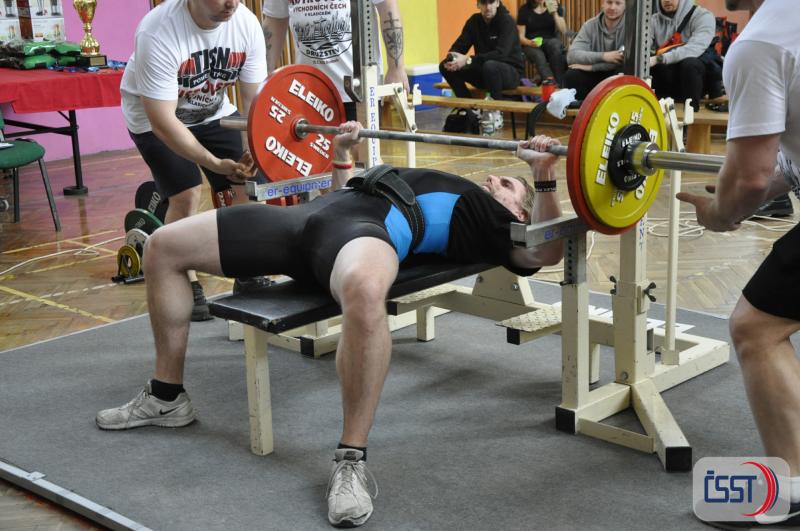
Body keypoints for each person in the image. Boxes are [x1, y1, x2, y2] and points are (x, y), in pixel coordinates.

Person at [95, 123, 565, 528]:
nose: (492, 178)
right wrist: (342, 155)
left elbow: (544, 251)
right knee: (162, 246)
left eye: (506, 182)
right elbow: (341, 193)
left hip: (364, 236)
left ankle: (351, 459)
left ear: (518, 212)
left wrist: (544, 175)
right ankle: (167, 397)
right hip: (305, 222)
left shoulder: (490, 219)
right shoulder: (471, 194)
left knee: (365, 291)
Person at [677, 0, 800, 527]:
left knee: (756, 328)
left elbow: (749, 178)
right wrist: (742, 196)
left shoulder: (759, 43)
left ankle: (793, 490)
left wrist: (721, 214)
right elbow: (782, 167)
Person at [120, 0, 267, 321]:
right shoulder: (157, 31)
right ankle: (182, 277)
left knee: (247, 186)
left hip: (212, 111)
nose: (232, 3)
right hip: (153, 118)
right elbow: (163, 121)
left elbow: (254, 102)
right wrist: (212, 163)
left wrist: (249, 155)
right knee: (186, 194)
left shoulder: (246, 24)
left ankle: (247, 270)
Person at [262, 0, 409, 122]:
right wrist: (264, 75)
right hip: (307, 92)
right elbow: (274, 21)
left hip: (356, 90)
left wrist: (396, 68)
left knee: (361, 147)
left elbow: (387, 6)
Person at [440, 0, 524, 132]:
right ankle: (470, 108)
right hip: (485, 71)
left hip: (510, 74)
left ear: (497, 3)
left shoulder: (507, 21)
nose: (488, 7)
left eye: (491, 2)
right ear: (478, 5)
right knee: (444, 66)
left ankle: (496, 112)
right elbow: (459, 46)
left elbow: (501, 54)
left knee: (490, 66)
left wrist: (468, 60)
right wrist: (452, 58)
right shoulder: (474, 21)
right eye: (484, 3)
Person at [648, 0, 716, 112]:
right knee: (649, 66)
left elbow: (694, 48)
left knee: (690, 64)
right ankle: (656, 111)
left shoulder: (703, 16)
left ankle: (692, 113)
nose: (667, 0)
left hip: (694, 78)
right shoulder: (653, 20)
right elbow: (643, 44)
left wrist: (660, 58)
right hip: (667, 75)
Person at [563, 0, 625, 101]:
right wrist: (604, 56)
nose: (612, 7)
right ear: (602, 3)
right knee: (572, 75)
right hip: (595, 75)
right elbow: (572, 56)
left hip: (616, 73)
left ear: (625, 5)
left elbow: (624, 61)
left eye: (618, 3)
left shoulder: (632, 26)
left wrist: (591, 67)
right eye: (609, 2)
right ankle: (582, 110)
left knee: (624, 72)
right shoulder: (589, 25)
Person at [516, 0, 568, 87]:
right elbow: (520, 37)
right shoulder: (524, 10)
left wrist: (554, 13)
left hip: (550, 41)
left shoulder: (554, 5)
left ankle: (560, 85)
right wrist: (530, 42)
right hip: (530, 43)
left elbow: (563, 30)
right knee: (538, 56)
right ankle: (552, 84)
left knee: (555, 46)